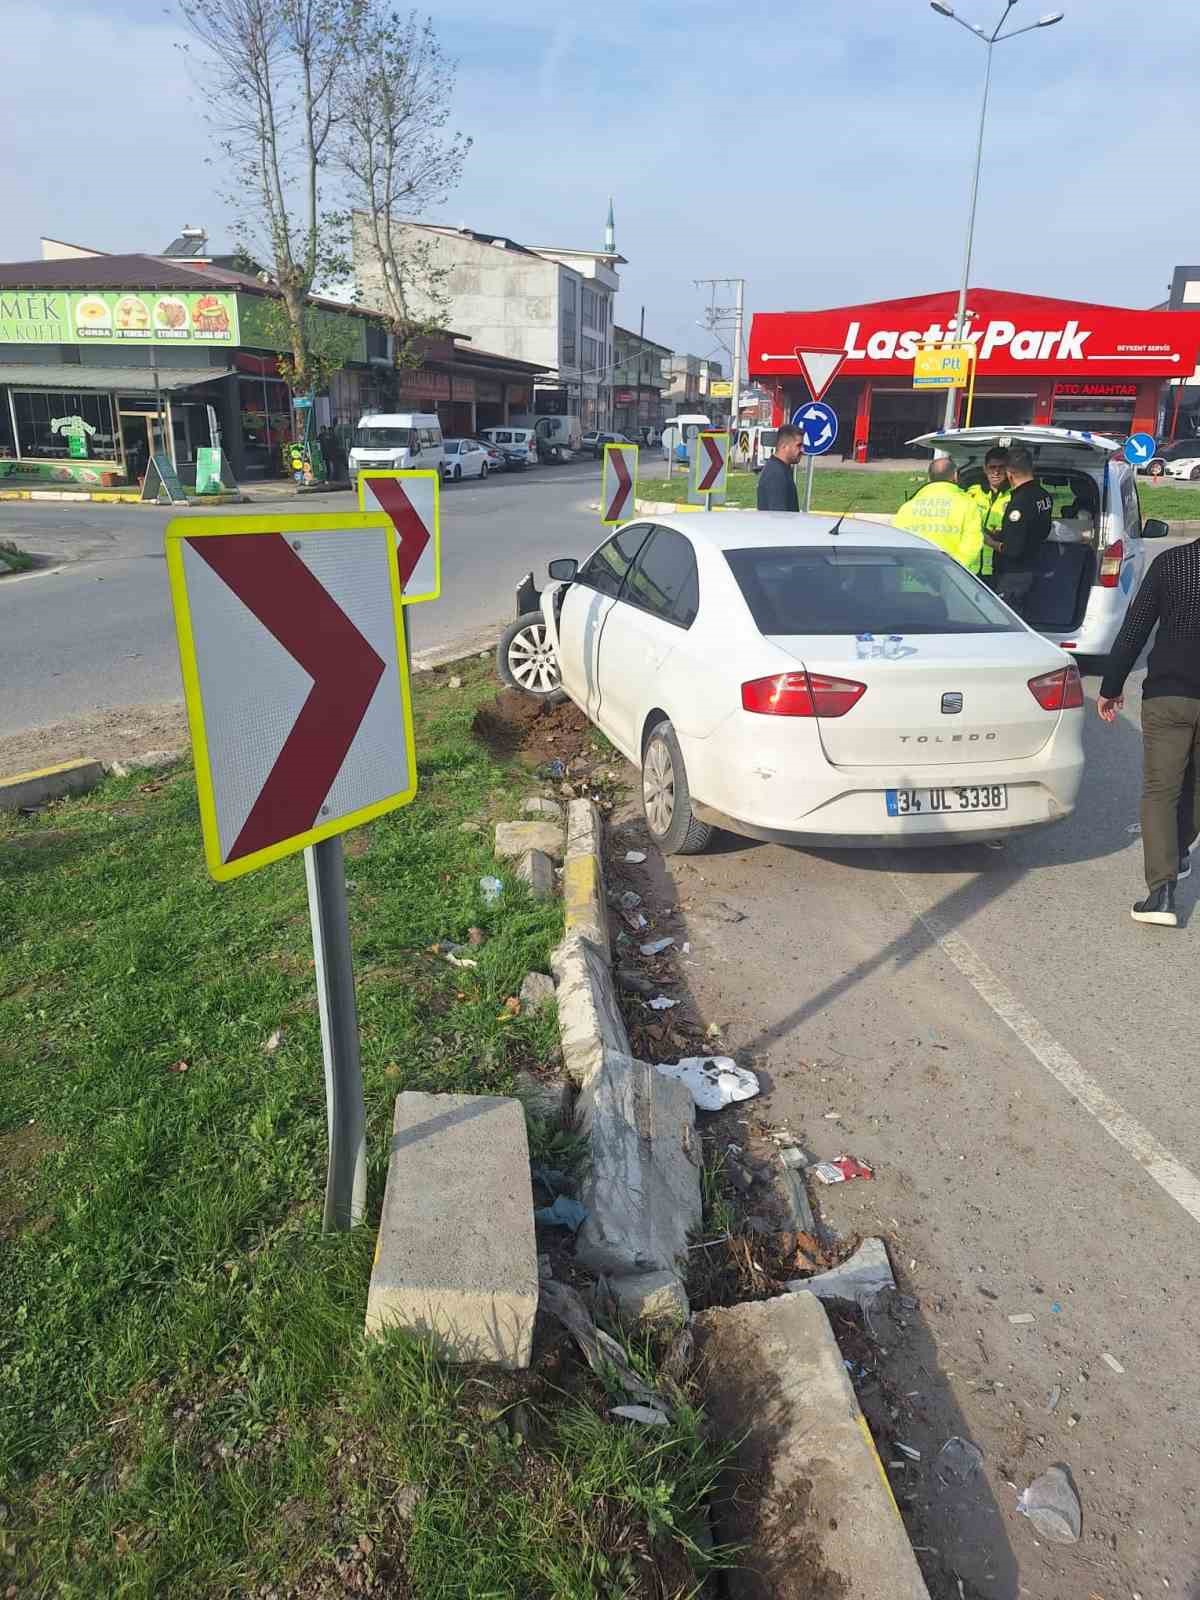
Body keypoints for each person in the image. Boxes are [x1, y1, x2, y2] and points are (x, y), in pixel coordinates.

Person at [1097, 536, 1200, 927]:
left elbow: (1135, 628)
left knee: (1161, 791)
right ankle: (1178, 848)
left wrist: (1110, 686)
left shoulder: (1173, 563)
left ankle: (1162, 893)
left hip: (1168, 693)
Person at [892, 456, 985, 572]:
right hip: (952, 580)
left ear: (929, 478)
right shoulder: (967, 504)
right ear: (955, 476)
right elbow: (972, 545)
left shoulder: (907, 507)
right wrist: (953, 572)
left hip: (912, 576)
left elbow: (897, 543)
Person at [990, 445, 1053, 613]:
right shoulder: (1044, 495)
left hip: (1014, 575)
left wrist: (991, 542)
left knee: (1006, 618)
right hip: (1035, 565)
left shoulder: (1019, 502)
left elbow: (1013, 549)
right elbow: (1041, 530)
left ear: (1009, 474)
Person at [964, 447, 1011, 584]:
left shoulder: (1015, 496)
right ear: (985, 468)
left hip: (1000, 569)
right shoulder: (971, 493)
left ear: (1008, 470)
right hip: (970, 569)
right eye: (992, 467)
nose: (996, 472)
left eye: (1001, 467)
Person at [756, 423, 804, 511]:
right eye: (799, 445)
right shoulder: (776, 474)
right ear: (784, 446)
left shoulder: (782, 469)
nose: (802, 450)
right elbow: (778, 516)